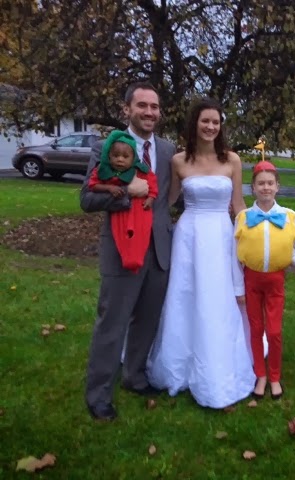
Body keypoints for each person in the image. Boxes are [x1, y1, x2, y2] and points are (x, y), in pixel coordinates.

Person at [146, 97, 255, 409]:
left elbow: (238, 205)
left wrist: (254, 235)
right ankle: (179, 365)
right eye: (205, 121)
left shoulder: (232, 160)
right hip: (189, 236)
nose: (210, 126)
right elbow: (168, 201)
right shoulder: (179, 161)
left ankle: (219, 363)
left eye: (215, 122)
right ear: (194, 124)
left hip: (221, 235)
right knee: (186, 294)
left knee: (217, 296)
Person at [81, 82, 176, 421]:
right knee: (113, 323)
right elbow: (87, 199)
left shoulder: (167, 149)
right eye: (142, 105)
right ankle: (98, 395)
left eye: (154, 106)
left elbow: (169, 195)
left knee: (147, 320)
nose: (149, 112)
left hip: (159, 249)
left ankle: (135, 376)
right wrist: (127, 193)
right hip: (122, 248)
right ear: (127, 109)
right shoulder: (106, 147)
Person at [234, 161, 295, 400]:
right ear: (253, 188)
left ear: (278, 186)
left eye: (270, 183)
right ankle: (261, 375)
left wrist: (292, 263)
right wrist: (238, 287)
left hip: (276, 281)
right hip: (251, 281)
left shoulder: (289, 216)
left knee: (274, 331)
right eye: (261, 183)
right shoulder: (243, 217)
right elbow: (234, 253)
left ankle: (275, 376)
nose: (265, 187)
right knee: (256, 329)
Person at [88, 130, 158, 273]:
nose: (120, 160)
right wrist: (112, 188)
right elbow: (90, 191)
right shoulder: (104, 169)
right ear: (109, 155)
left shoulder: (143, 168)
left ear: (133, 157)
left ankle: (136, 259)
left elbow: (153, 184)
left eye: (125, 157)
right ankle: (129, 259)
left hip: (143, 215)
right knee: (123, 237)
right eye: (116, 156)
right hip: (119, 215)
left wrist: (151, 197)